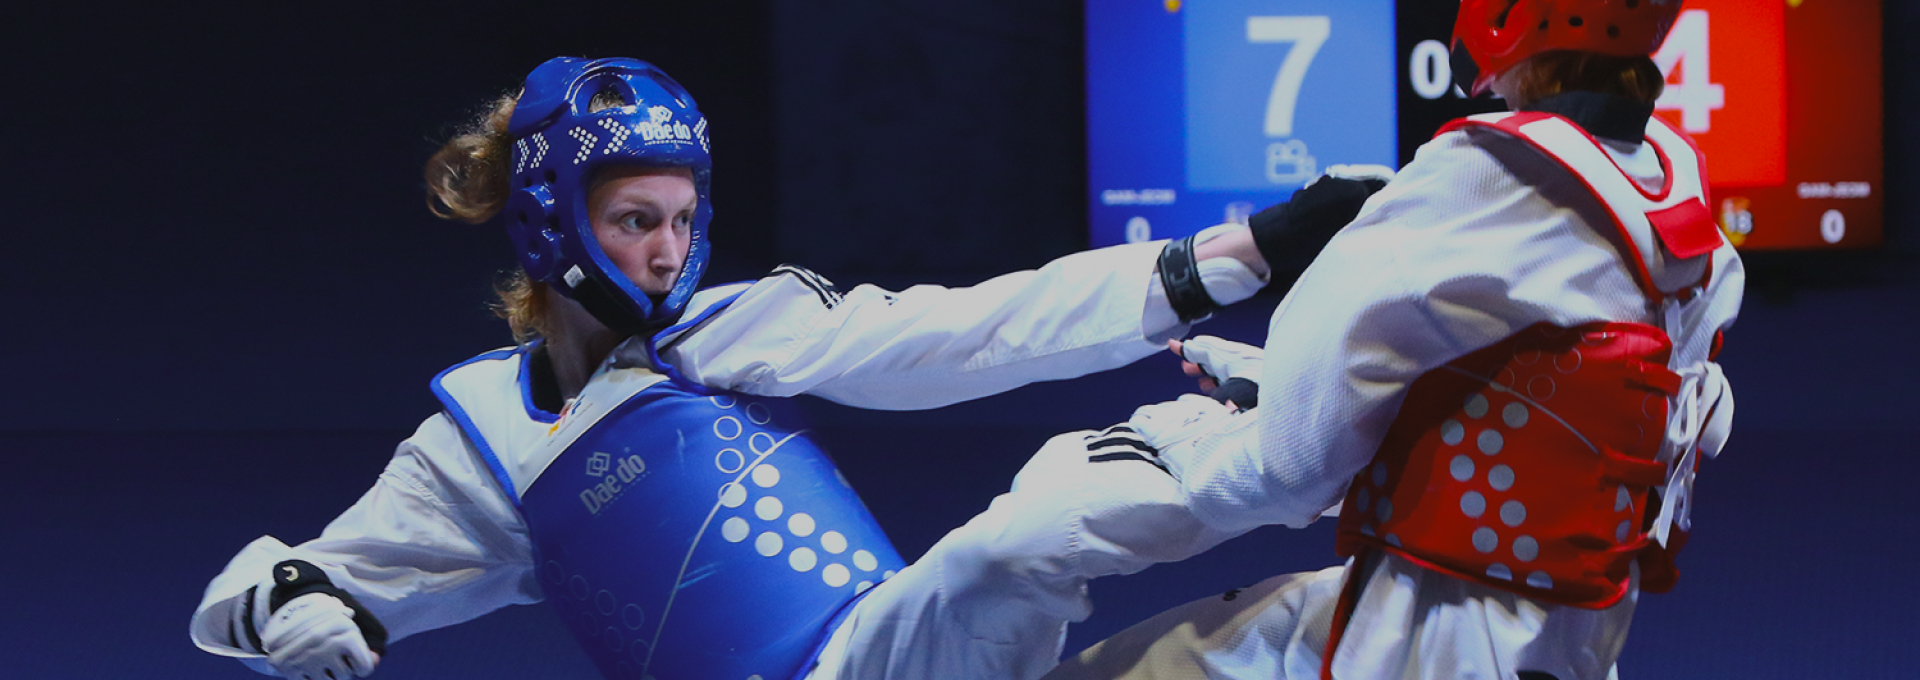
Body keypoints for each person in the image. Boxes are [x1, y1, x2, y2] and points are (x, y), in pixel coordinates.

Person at [187, 56, 1377, 680]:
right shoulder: (480, 441)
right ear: (552, 222)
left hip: (887, 655)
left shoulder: (729, 329)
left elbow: (968, 330)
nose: (667, 250)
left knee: (1026, 545)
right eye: (634, 220)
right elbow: (264, 591)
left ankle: (1311, 448)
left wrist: (1242, 251)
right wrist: (294, 604)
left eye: (680, 217)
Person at [1047, 1, 1742, 679]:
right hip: (1576, 637)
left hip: (1423, 637)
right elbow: (1552, 418)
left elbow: (1288, 470)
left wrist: (1186, 442)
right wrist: (1292, 382)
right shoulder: (1677, 187)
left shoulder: (1484, 173)